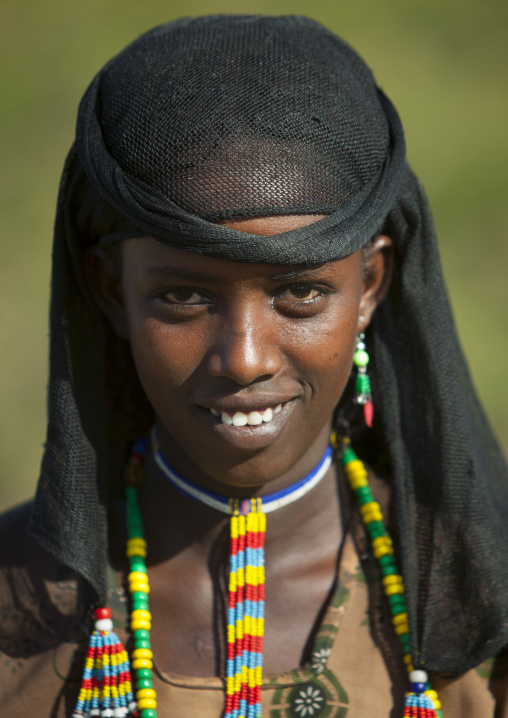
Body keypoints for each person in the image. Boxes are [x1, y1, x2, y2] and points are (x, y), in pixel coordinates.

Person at [0, 14, 507, 718]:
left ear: (371, 287)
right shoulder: (15, 609)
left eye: (301, 292)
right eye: (181, 296)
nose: (244, 358)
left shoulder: (484, 605)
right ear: (111, 290)